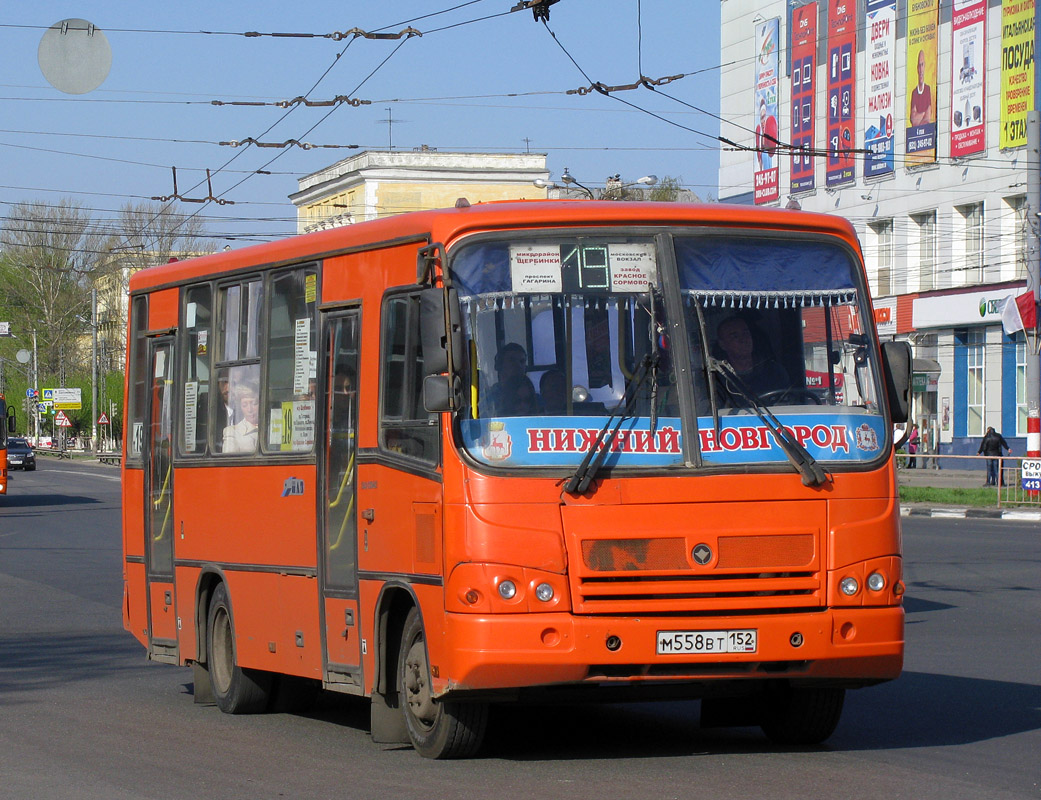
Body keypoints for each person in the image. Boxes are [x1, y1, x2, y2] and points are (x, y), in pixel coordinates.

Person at [714, 315, 789, 401]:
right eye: (735, 336)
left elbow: (788, 403)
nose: (743, 339)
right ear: (722, 344)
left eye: (746, 333)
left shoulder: (774, 371)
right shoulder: (718, 379)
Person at [485, 342, 528, 415]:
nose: (518, 365)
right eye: (512, 360)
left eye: (522, 361)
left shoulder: (535, 399)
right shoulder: (488, 398)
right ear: (499, 365)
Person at [222, 380, 260, 454]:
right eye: (244, 405)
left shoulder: (271, 427)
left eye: (254, 404)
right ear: (240, 407)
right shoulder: (232, 432)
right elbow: (229, 462)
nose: (250, 409)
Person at [910, 49, 932, 127]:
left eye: (922, 64)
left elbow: (928, 118)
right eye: (919, 65)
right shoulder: (914, 93)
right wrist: (923, 113)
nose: (921, 68)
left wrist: (918, 115)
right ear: (917, 68)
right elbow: (914, 121)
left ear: (925, 66)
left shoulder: (927, 89)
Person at [755, 98, 778, 170]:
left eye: (764, 117)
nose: (763, 120)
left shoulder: (769, 130)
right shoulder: (758, 133)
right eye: (762, 118)